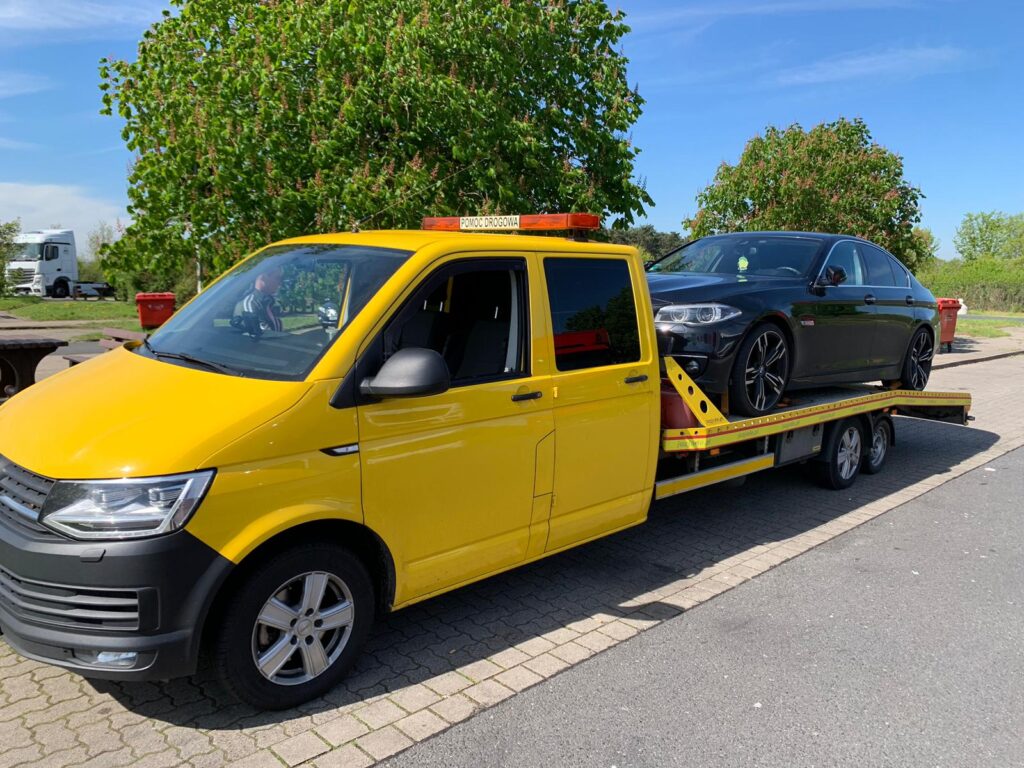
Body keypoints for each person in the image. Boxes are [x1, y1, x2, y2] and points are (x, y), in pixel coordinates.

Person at [233, 265, 284, 335]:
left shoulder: (267, 302)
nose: (280, 282)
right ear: (263, 277)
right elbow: (256, 339)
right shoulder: (250, 304)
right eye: (278, 278)